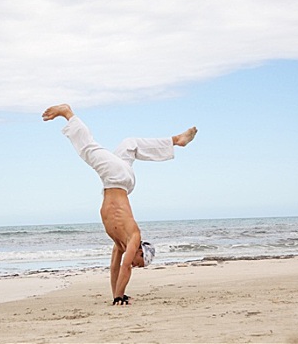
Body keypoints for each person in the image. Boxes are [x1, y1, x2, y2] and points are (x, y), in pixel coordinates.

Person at [42, 104, 197, 305]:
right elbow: (126, 268)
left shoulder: (119, 244)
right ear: (141, 252)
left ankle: (175, 141)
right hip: (117, 178)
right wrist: (118, 296)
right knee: (89, 149)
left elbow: (115, 268)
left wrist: (117, 295)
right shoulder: (135, 236)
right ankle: (67, 112)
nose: (138, 265)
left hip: (118, 179)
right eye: (141, 263)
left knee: (129, 144)